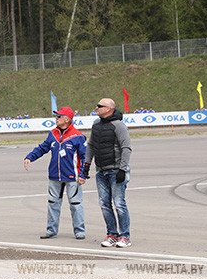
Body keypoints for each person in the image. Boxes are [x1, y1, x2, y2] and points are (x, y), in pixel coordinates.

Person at [24, 106, 87, 240]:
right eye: (56, 116)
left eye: (59, 116)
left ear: (67, 119)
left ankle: (79, 231)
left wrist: (82, 175)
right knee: (53, 203)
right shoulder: (52, 133)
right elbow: (43, 148)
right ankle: (51, 230)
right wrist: (30, 157)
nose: (56, 119)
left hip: (72, 177)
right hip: (54, 176)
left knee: (76, 204)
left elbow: (84, 158)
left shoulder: (78, 136)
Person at [78, 98, 132, 248]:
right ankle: (112, 234)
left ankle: (125, 236)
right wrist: (86, 165)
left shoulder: (119, 125)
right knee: (104, 204)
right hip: (101, 170)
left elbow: (126, 148)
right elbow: (91, 146)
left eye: (99, 106)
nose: (96, 108)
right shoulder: (96, 125)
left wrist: (123, 168)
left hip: (116, 170)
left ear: (108, 108)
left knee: (119, 203)